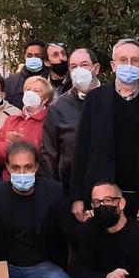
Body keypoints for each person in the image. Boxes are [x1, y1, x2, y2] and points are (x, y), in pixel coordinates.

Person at [72, 39, 139, 231]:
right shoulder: (95, 100)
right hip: (102, 200)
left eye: (134, 60)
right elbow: (82, 150)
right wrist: (78, 197)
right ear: (113, 65)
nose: (129, 65)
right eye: (123, 60)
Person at [0, 141, 70, 278]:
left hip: (43, 266)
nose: (22, 173)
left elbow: (67, 230)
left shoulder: (55, 192)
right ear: (8, 168)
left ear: (36, 167)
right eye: (16, 167)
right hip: (6, 266)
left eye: (28, 167)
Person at [71, 182, 139, 278]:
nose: (102, 206)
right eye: (97, 202)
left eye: (108, 200)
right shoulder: (89, 229)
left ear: (122, 203)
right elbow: (79, 271)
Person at [42, 48, 100, 188]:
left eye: (84, 65)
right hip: (70, 191)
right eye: (74, 67)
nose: (79, 70)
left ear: (96, 68)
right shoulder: (58, 107)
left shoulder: (112, 100)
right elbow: (49, 156)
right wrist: (55, 192)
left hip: (109, 193)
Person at [0, 76, 53, 181]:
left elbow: (49, 155)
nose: (30, 93)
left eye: (36, 91)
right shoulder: (12, 119)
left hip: (39, 181)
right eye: (28, 90)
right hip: (10, 181)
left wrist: (21, 145)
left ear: (45, 98)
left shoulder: (50, 121)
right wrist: (9, 147)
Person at [5, 40, 49, 105]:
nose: (33, 58)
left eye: (37, 56)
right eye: (29, 55)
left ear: (44, 57)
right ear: (24, 56)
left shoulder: (50, 80)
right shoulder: (11, 82)